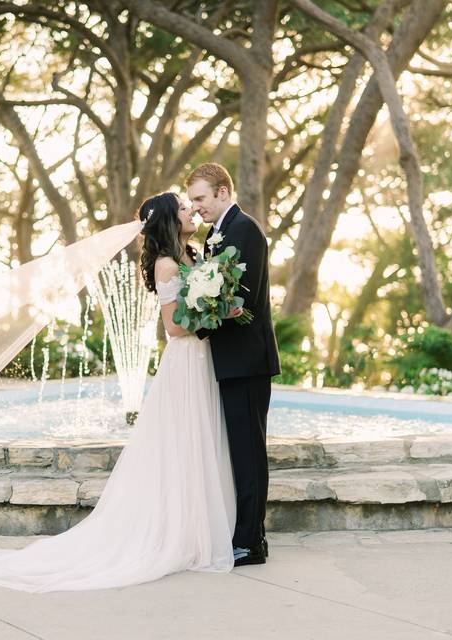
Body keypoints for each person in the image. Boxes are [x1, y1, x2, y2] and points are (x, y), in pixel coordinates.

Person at [0, 192, 241, 592]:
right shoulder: (166, 263)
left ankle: (202, 529)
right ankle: (179, 534)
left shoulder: (193, 254)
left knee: (200, 441)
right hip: (185, 362)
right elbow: (174, 326)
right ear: (169, 220)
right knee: (182, 444)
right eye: (184, 207)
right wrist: (218, 314)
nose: (192, 211)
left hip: (203, 360)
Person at [185, 163, 281, 567]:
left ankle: (251, 542)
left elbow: (241, 301)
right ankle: (245, 535)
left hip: (247, 361)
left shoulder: (245, 230)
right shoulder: (217, 235)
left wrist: (197, 319)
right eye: (192, 201)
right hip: (230, 360)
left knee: (249, 453)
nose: (196, 208)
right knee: (238, 452)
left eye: (201, 199)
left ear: (223, 192)